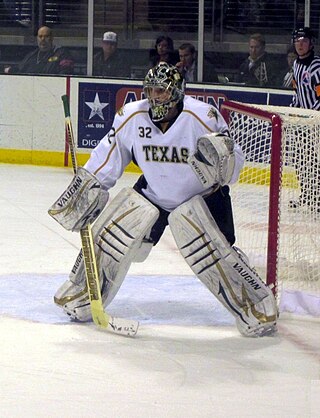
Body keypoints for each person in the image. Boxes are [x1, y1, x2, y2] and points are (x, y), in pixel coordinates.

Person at [49, 62, 277, 338]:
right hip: (155, 192)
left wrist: (223, 159)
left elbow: (233, 164)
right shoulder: (132, 116)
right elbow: (108, 155)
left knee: (220, 257)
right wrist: (88, 189)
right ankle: (83, 292)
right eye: (150, 91)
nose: (154, 97)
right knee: (109, 239)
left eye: (161, 91)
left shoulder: (203, 116)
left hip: (202, 198)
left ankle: (256, 304)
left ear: (177, 92)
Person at [289, 27, 320, 210]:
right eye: (297, 40)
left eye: (304, 40)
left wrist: (310, 117)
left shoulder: (316, 67)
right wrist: (294, 112)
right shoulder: (296, 65)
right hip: (303, 122)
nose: (300, 44)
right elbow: (297, 92)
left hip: (315, 122)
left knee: (316, 160)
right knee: (302, 159)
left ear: (311, 43)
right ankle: (308, 195)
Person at [4, 26, 74, 75]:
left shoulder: (62, 54)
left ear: (52, 38)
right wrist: (8, 70)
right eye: (40, 36)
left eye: (46, 36)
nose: (43, 39)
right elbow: (20, 70)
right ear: (37, 38)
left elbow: (66, 73)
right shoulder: (32, 55)